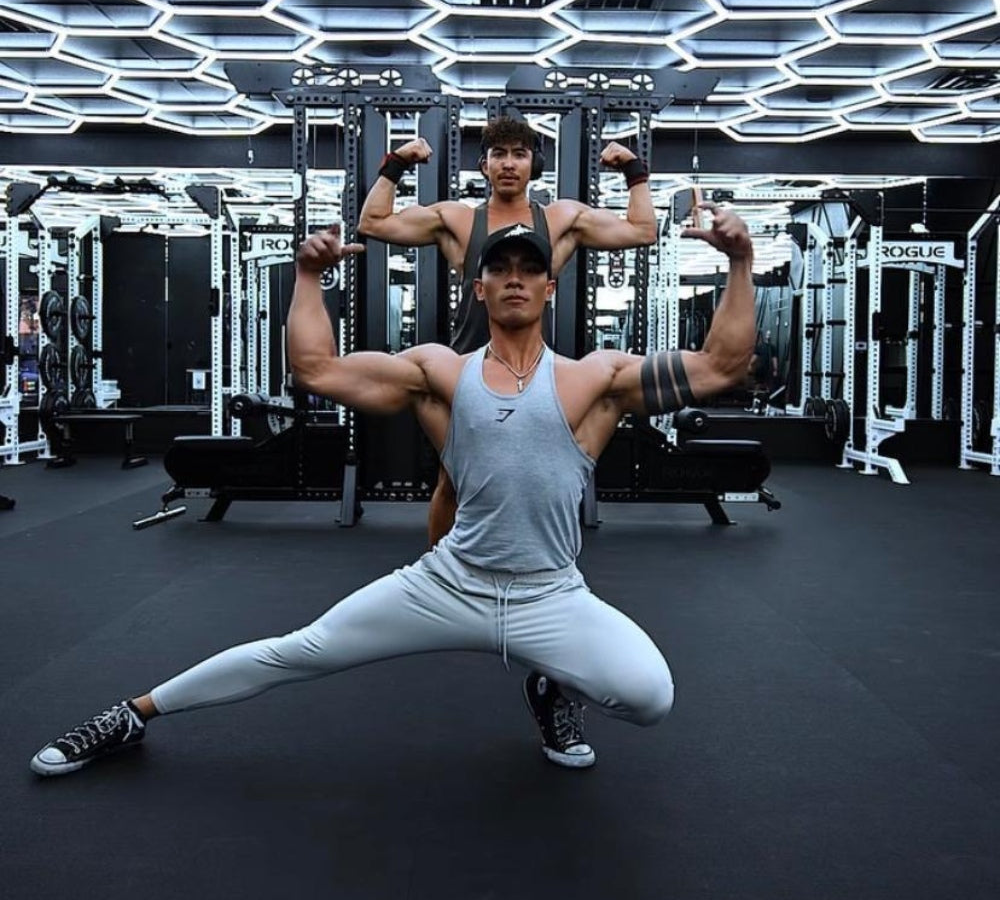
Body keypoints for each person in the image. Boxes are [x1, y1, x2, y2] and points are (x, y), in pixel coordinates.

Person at [30, 208, 754, 778]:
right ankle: (129, 715)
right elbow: (315, 368)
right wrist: (308, 278)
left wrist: (741, 262)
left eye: (527, 268)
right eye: (496, 267)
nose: (512, 277)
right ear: (477, 286)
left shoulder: (597, 379)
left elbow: (722, 365)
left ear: (549, 286)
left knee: (651, 698)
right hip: (450, 583)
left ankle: (552, 688)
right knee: (301, 649)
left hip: (550, 597)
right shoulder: (438, 371)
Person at [358, 115, 658, 544]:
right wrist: (397, 162)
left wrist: (633, 170)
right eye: (499, 154)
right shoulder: (458, 220)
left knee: (542, 477)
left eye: (519, 154)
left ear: (533, 163)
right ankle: (441, 572)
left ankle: (535, 570)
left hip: (531, 373)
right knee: (453, 478)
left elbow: (643, 231)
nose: (509, 164)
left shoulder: (561, 219)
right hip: (468, 369)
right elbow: (374, 223)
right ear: (484, 165)